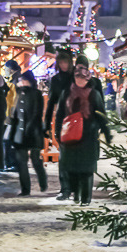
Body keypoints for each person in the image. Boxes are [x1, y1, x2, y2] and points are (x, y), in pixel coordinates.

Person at [57, 65, 111, 206]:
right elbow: (60, 114)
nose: (80, 80)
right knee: (72, 168)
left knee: (86, 169)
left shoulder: (94, 94)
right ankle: (76, 195)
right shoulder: (66, 93)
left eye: (83, 78)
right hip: (70, 137)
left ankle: (86, 199)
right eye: (77, 77)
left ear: (88, 79)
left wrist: (106, 132)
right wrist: (57, 133)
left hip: (88, 136)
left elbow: (101, 115)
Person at [5, 71, 48, 196]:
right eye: (19, 80)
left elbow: (37, 113)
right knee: (21, 162)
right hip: (19, 133)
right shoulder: (17, 94)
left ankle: (43, 182)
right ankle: (25, 189)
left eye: (22, 80)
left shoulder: (36, 94)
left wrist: (30, 128)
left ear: (28, 81)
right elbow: (14, 112)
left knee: (35, 160)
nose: (20, 83)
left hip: (33, 132)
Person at [44, 49, 76, 200]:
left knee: (75, 155)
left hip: (77, 119)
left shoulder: (76, 77)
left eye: (65, 62)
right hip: (62, 120)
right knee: (63, 157)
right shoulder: (55, 79)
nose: (63, 65)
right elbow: (51, 102)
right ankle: (65, 189)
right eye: (61, 62)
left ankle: (75, 187)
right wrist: (46, 122)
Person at [1, 60, 21, 172]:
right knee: (9, 140)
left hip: (12, 116)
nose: (4, 71)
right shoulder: (14, 79)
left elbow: (15, 100)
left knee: (9, 140)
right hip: (11, 115)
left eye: (5, 69)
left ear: (11, 69)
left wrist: (12, 116)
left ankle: (13, 164)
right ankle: (11, 163)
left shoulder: (15, 80)